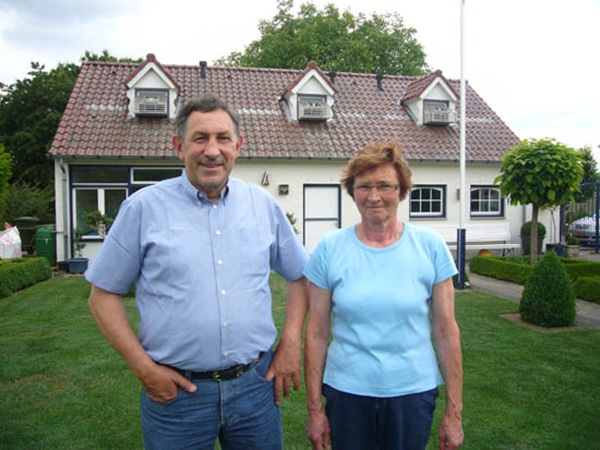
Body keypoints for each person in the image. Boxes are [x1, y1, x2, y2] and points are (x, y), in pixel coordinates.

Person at [86, 94, 309, 449]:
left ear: (238, 146)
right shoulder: (143, 209)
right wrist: (143, 368)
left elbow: (300, 275)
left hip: (255, 388)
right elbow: (102, 296)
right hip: (177, 397)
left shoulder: (263, 206)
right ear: (179, 147)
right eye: (200, 138)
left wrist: (292, 341)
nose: (212, 151)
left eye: (223, 138)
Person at [304, 141, 463, 450]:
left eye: (384, 186)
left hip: (412, 393)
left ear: (402, 192)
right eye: (364, 187)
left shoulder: (430, 247)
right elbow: (317, 333)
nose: (374, 196)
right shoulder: (330, 248)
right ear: (352, 193)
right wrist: (314, 410)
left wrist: (454, 412)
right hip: (347, 393)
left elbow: (446, 331)